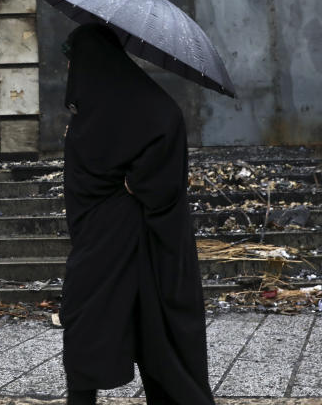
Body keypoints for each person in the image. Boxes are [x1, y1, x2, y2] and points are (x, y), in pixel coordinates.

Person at [60, 23, 215, 405]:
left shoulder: (149, 105)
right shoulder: (92, 110)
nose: (70, 70)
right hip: (99, 236)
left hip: (142, 237)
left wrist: (140, 181)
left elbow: (166, 131)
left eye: (73, 60)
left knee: (155, 326)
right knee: (84, 321)